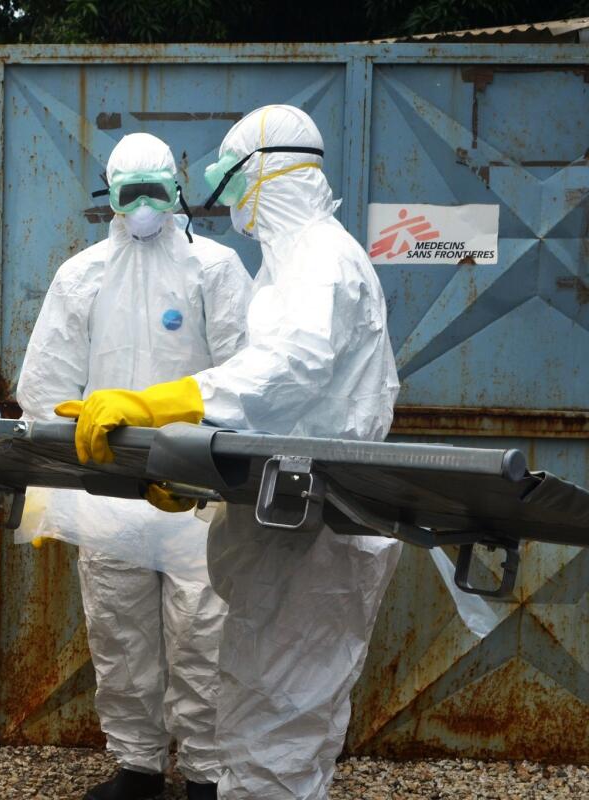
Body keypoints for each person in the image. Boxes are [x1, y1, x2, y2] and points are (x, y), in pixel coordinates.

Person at [57, 106, 402, 799]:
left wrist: (167, 406)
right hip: (286, 513)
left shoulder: (314, 256)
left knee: (280, 720)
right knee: (261, 706)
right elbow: (283, 407)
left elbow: (288, 366)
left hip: (312, 526)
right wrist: (206, 475)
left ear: (263, 173)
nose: (226, 196)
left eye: (229, 177)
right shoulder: (297, 258)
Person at [17, 132, 253, 800]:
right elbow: (47, 387)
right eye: (131, 193)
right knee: (119, 633)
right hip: (108, 489)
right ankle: (139, 768)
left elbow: (250, 375)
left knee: (203, 634)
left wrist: (222, 456)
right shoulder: (81, 276)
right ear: (110, 197)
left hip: (198, 489)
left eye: (156, 190)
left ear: (178, 188)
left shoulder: (217, 270)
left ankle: (207, 774)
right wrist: (54, 491)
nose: (145, 205)